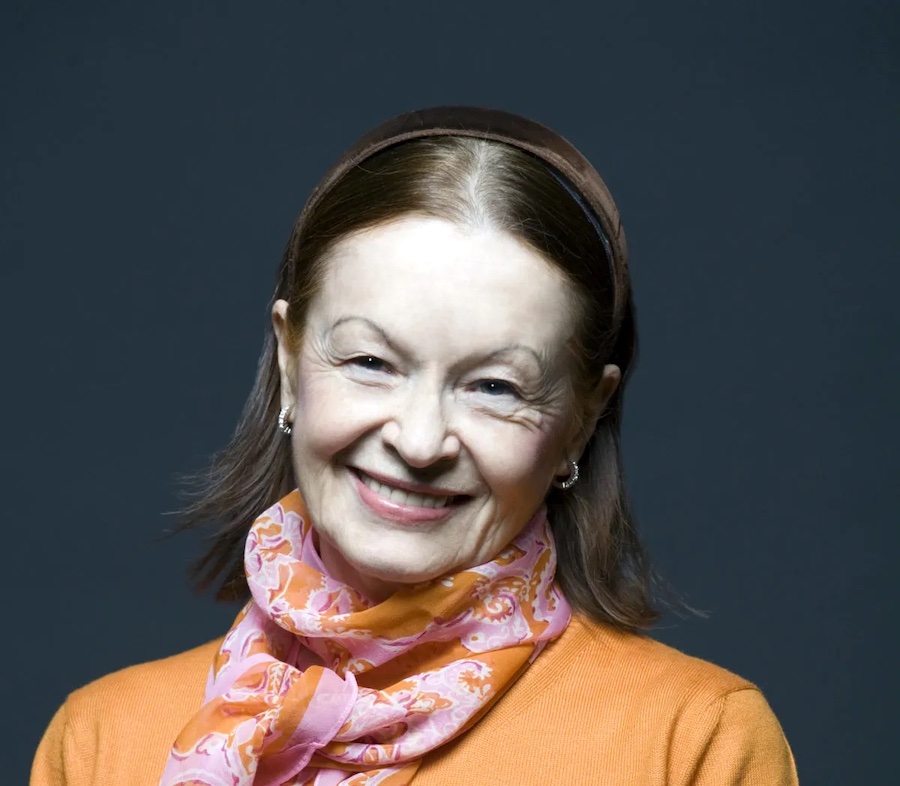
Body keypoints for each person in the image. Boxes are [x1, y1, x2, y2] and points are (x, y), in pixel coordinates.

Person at [31, 107, 799, 785]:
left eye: (494, 386)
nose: (421, 440)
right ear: (291, 365)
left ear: (581, 418)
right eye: (371, 362)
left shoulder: (692, 742)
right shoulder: (104, 741)